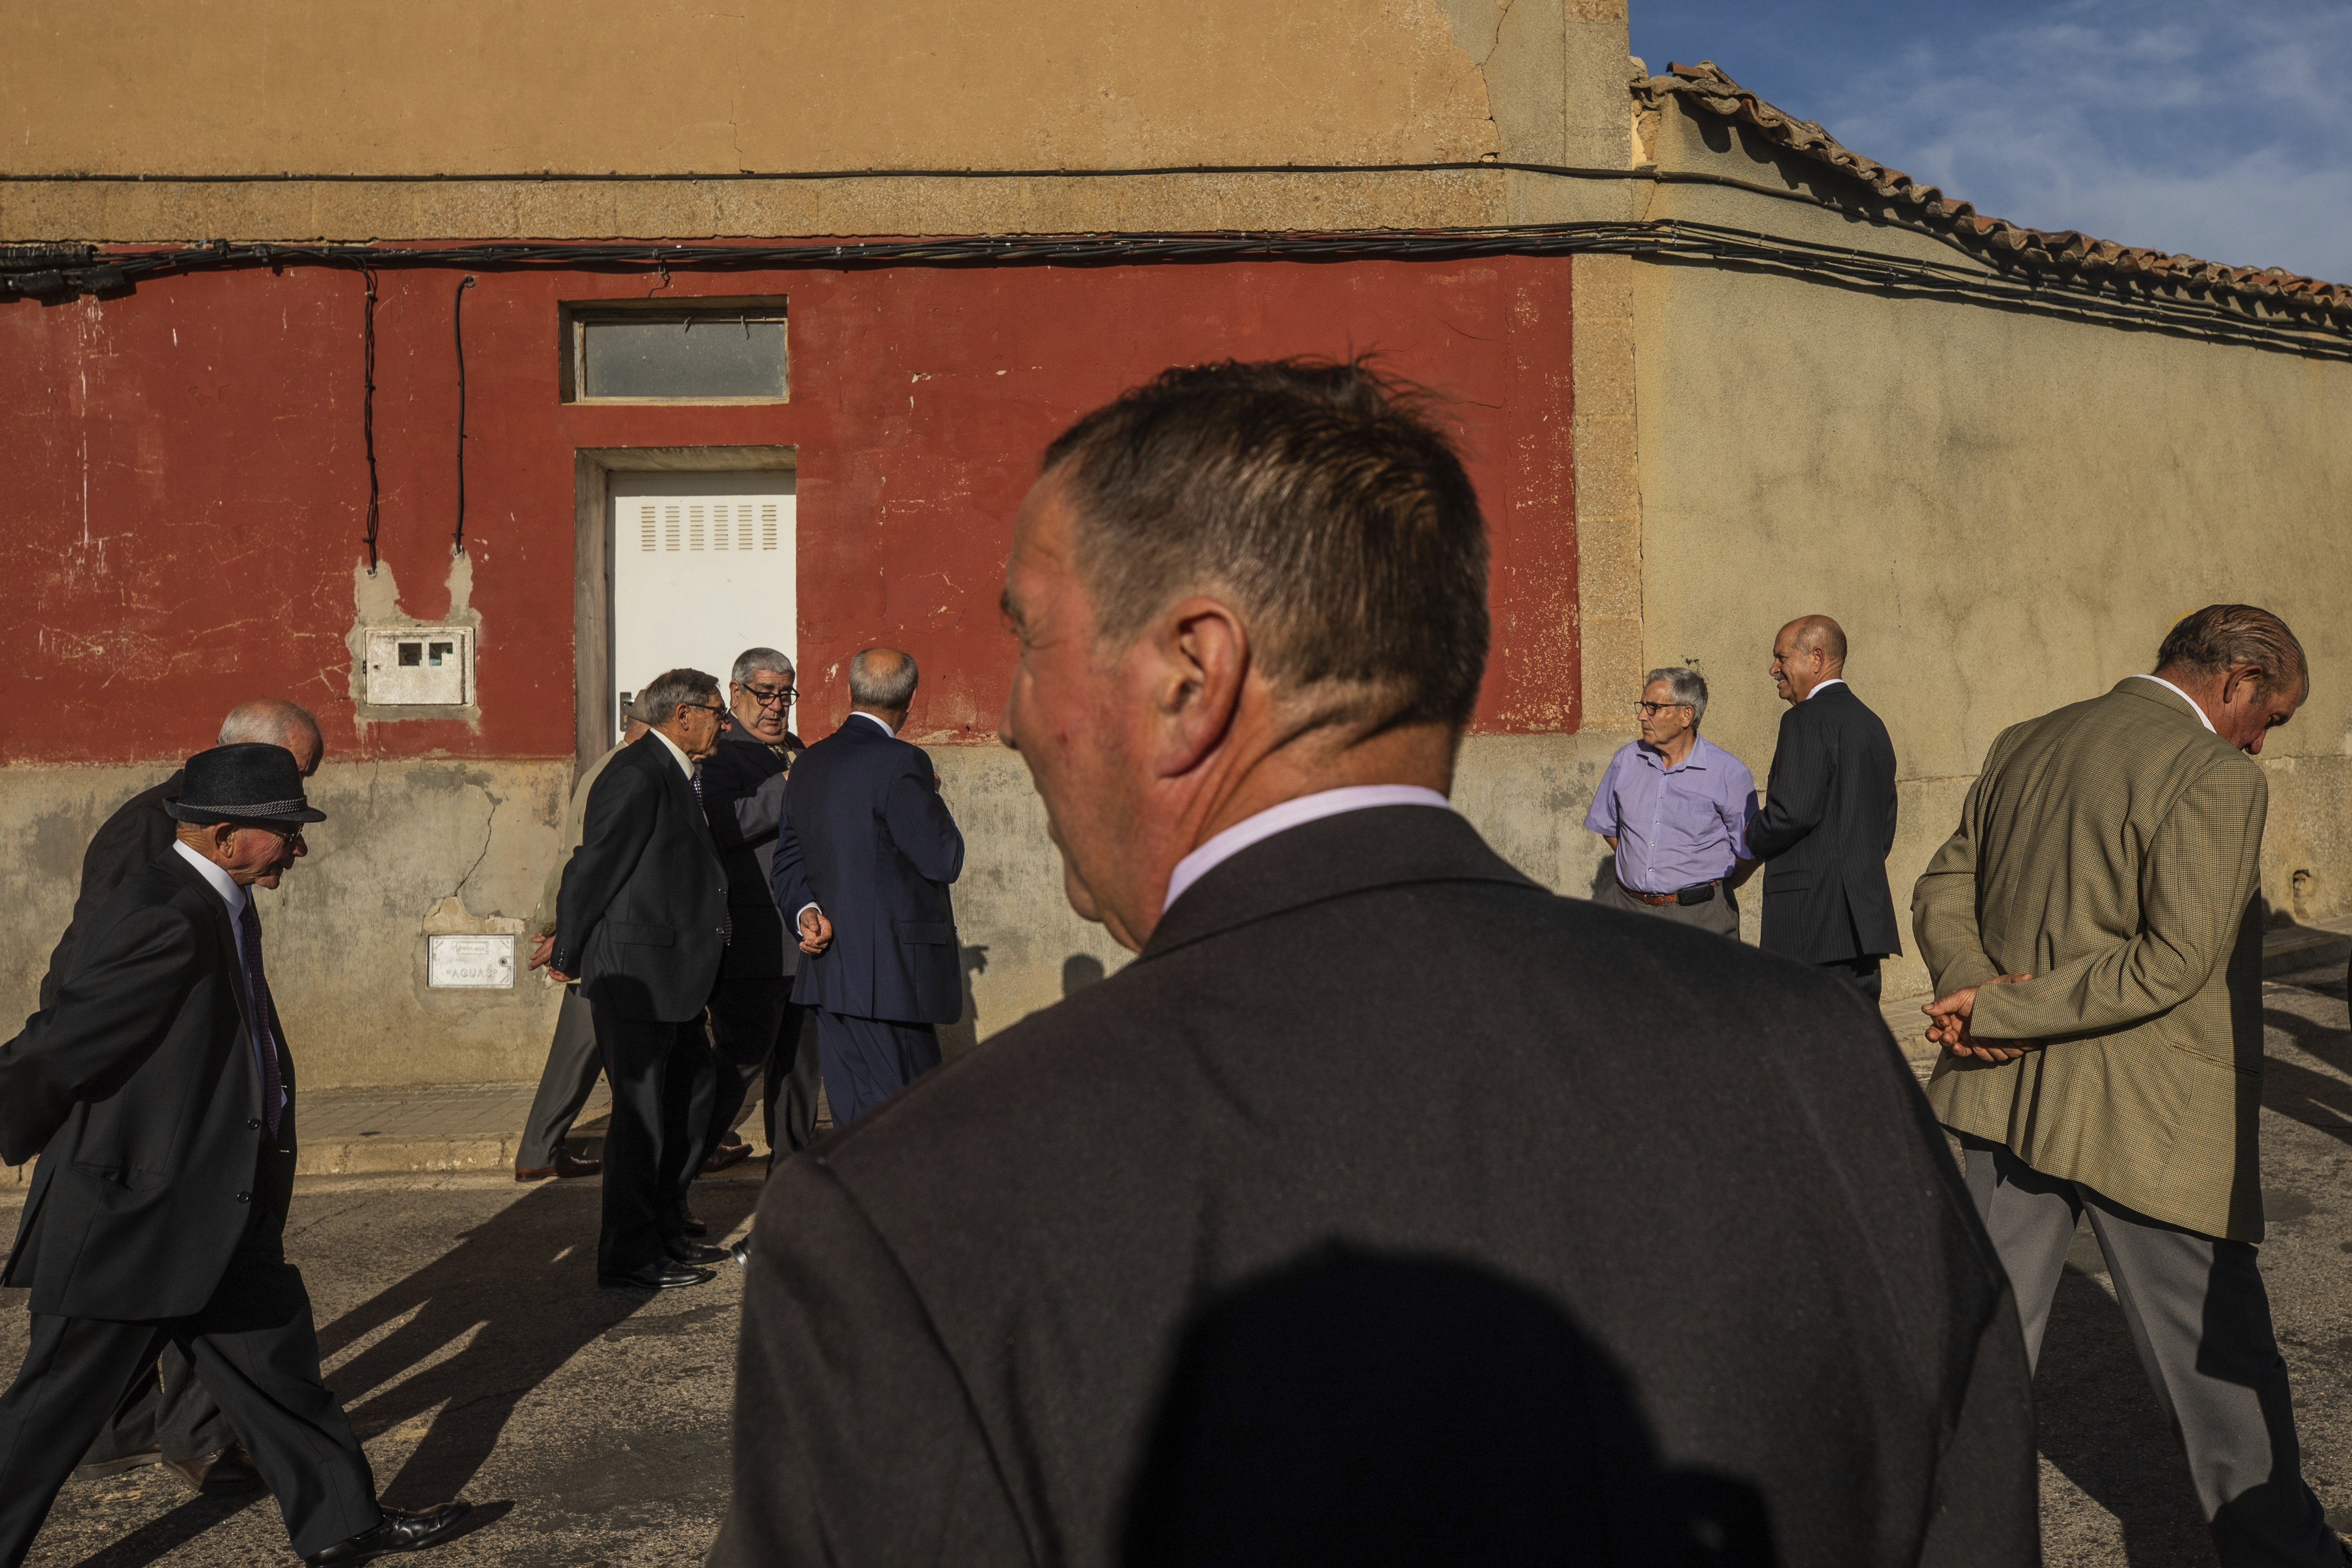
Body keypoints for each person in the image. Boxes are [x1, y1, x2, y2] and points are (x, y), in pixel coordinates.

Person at [714, 360, 2036, 1566]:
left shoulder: (912, 1208)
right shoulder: (1818, 1062)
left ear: (1194, 672)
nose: (1006, 717)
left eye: (1029, 636)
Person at [1916, 604, 2341, 1567]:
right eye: (2269, 715)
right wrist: (1993, 1008)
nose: (2262, 740)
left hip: (2002, 1100)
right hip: (2146, 1116)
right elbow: (2173, 962)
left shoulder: (2025, 740)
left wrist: (1969, 987)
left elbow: (1943, 883)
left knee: (1978, 1361)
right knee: (2219, 1370)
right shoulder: (2212, 774)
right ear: (2234, 680)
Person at [0, 743, 468, 1567]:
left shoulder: (217, 901)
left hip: (216, 1201)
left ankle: (342, 1524)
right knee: (53, 1411)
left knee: (277, 1370)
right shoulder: (166, 913)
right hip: (137, 1214)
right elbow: (63, 1041)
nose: (301, 846)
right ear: (224, 836)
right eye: (286, 831)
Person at [42, 697, 322, 1497]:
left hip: (189, 1106)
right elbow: (95, 976)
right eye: (292, 782)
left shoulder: (225, 842)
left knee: (204, 1279)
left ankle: (152, 1433)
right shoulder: (160, 834)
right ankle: (185, 1437)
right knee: (172, 1272)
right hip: (161, 1108)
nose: (298, 817)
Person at [549, 669, 733, 1291]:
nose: (723, 721)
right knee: (640, 1119)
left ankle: (665, 1228)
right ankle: (630, 1255)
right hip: (637, 974)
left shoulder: (675, 772)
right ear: (683, 715)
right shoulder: (637, 772)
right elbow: (591, 867)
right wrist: (568, 950)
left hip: (671, 974)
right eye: (716, 710)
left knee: (692, 1094)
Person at [769, 647, 965, 1128]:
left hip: (830, 972)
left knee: (853, 1120)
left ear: (852, 691)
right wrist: (931, 797)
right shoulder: (904, 764)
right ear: (910, 700)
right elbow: (944, 858)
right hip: (892, 978)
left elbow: (787, 861)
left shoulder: (809, 763)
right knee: (908, 1120)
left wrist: (805, 911)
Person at [697, 647, 821, 1172]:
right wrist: (787, 788)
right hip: (754, 942)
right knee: (739, 1063)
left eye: (785, 694)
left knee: (798, 1069)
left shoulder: (795, 748)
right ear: (736, 692)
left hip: (807, 938)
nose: (776, 706)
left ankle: (790, 1175)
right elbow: (725, 825)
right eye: (765, 694)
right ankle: (678, 1165)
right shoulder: (722, 752)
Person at [512, 710, 648, 1183]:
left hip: (586, 929)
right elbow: (585, 862)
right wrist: (562, 932)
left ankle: (539, 1150)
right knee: (586, 1047)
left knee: (581, 1049)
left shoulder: (609, 766)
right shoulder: (626, 772)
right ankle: (539, 1149)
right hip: (597, 932)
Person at [1745, 615, 1901, 1001]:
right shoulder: (1871, 723)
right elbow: (1884, 828)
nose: (1773, 670)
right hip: (1861, 924)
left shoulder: (1803, 720)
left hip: (1809, 923)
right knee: (1856, 1045)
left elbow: (1791, 813)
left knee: (1806, 1044)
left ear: (1816, 659)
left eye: (1781, 658)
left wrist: (1747, 836)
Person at [1582, 667, 1756, 939]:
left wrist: (1704, 892)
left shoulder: (1728, 773)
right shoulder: (1626, 761)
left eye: (1654, 708)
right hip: (1627, 909)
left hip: (1700, 917)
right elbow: (1609, 827)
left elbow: (1748, 852)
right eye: (1642, 706)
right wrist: (1643, 869)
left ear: (1686, 715)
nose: (1642, 716)